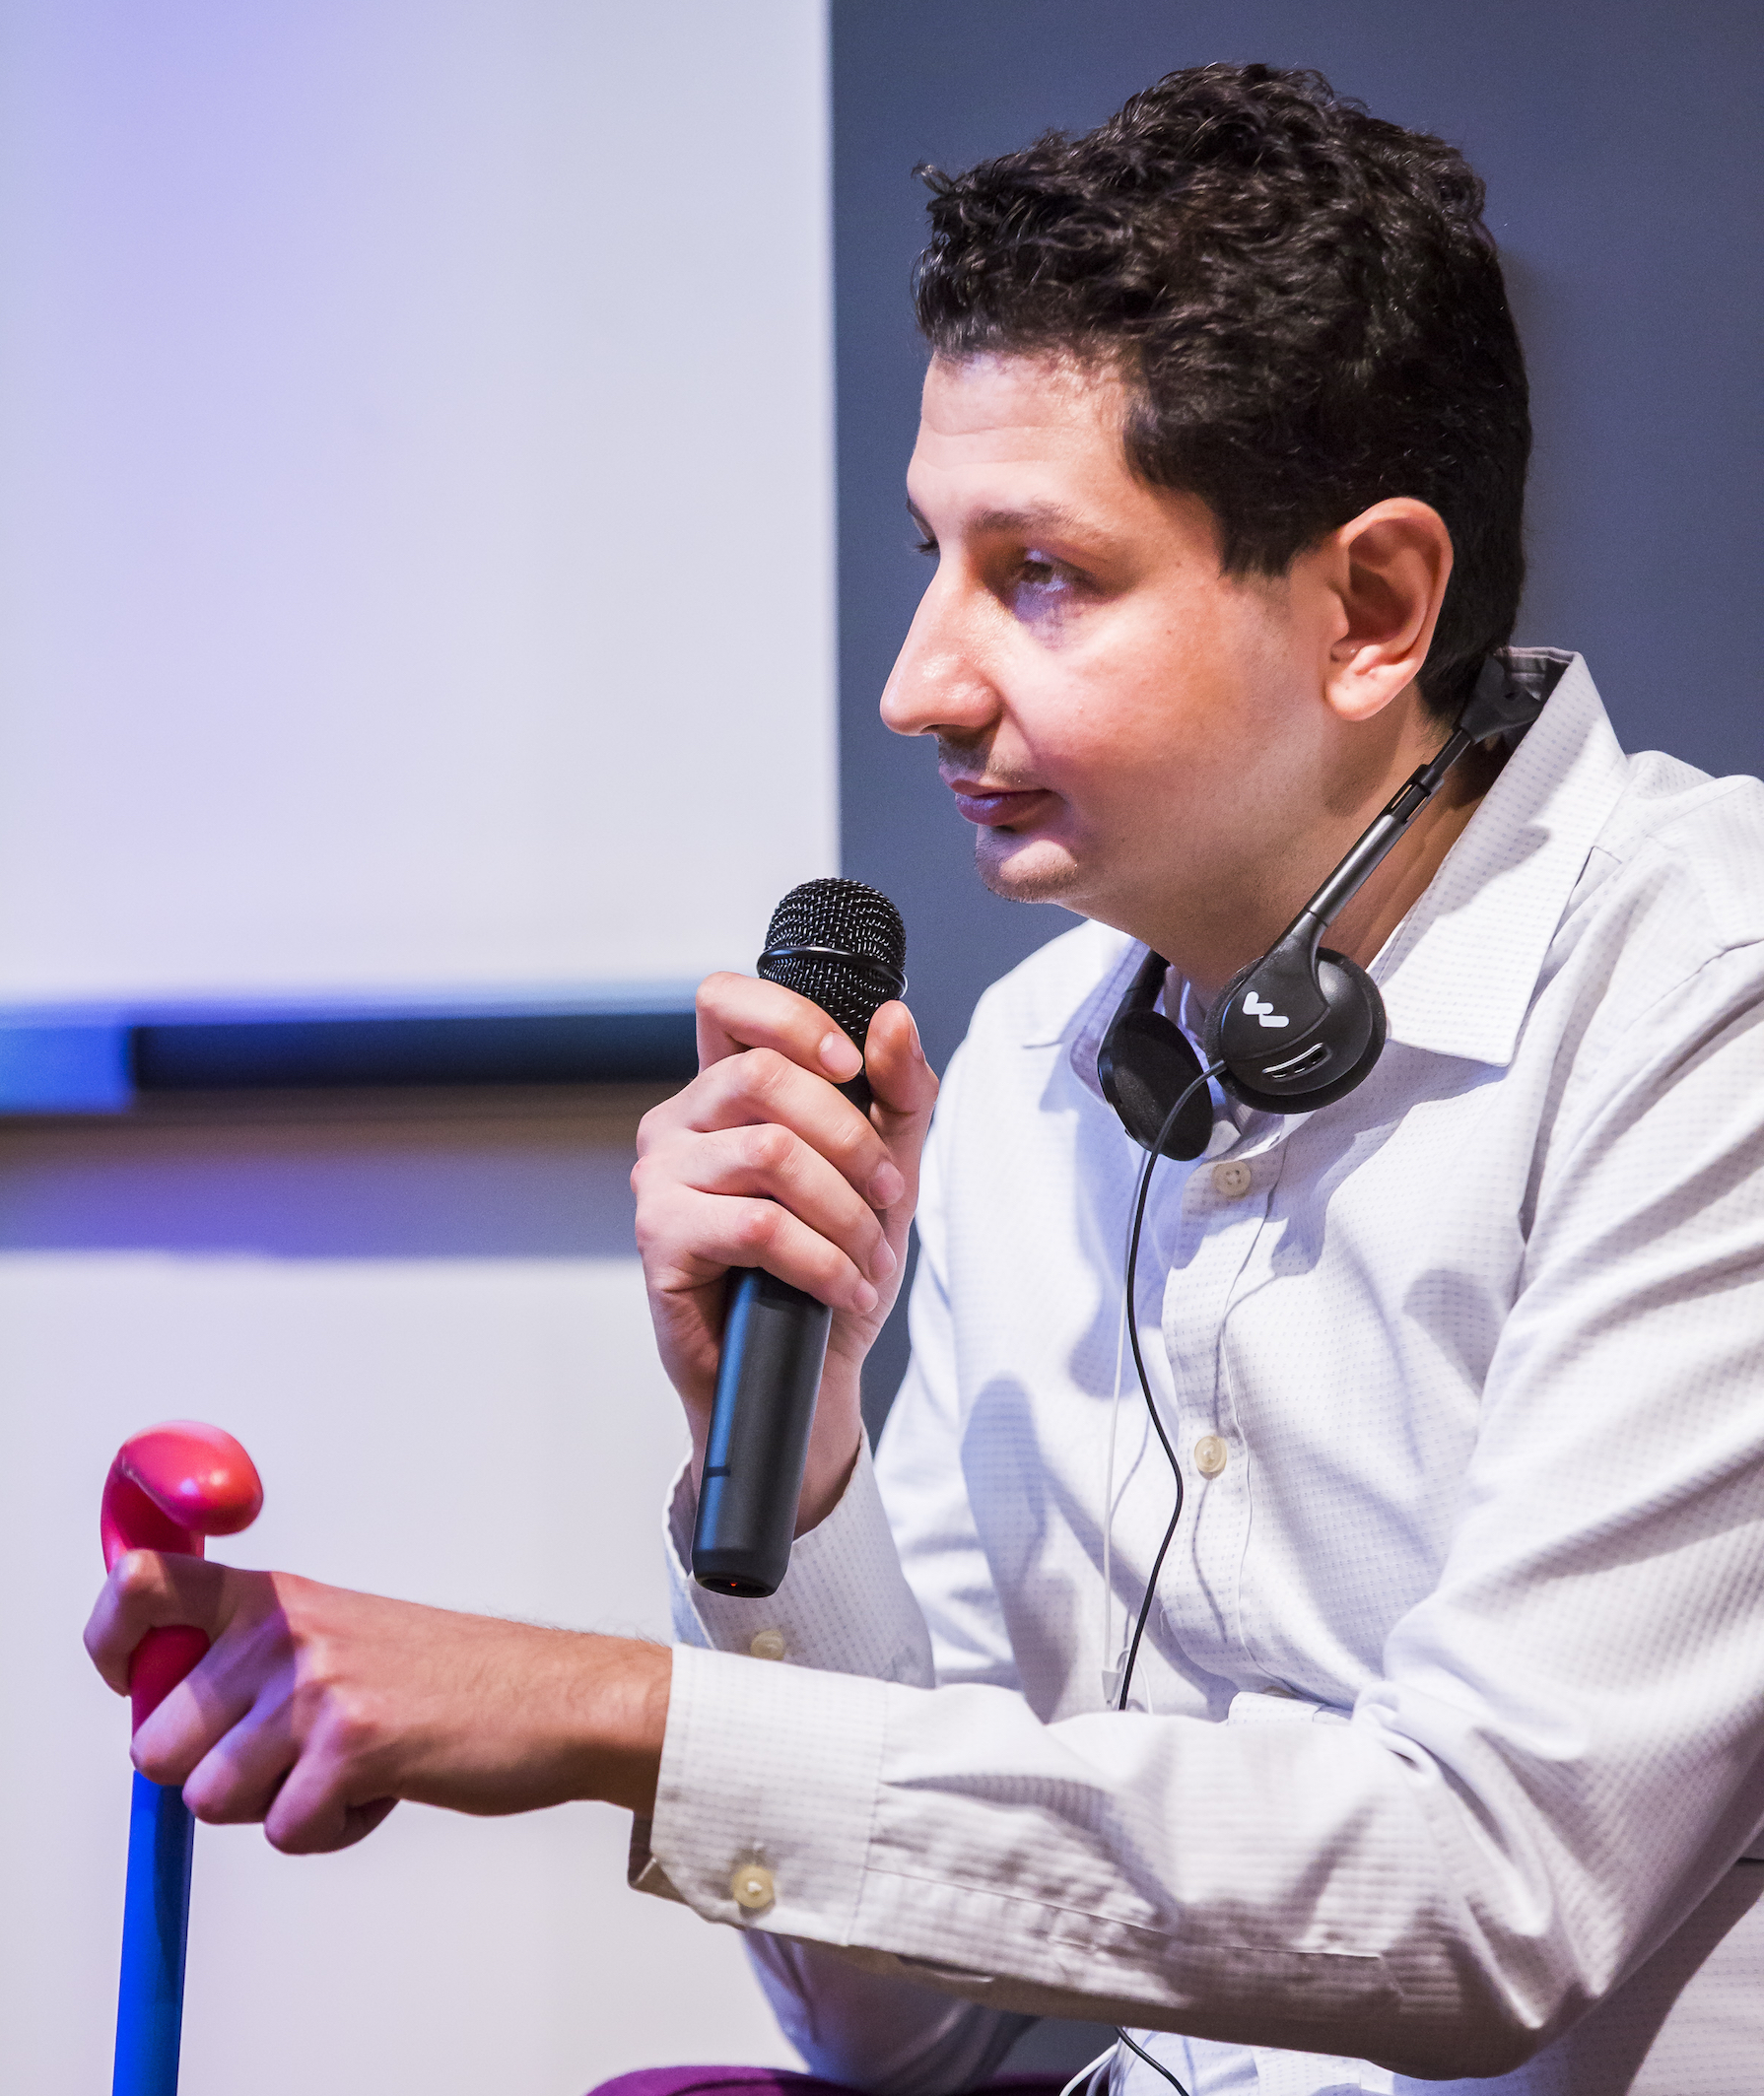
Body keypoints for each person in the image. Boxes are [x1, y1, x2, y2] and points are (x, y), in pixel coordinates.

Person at [85, 63, 1764, 2096]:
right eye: (928, 555)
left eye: (1037, 572)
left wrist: (623, 1714)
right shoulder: (1066, 1052)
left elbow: (1495, 1896)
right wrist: (784, 1489)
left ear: (1372, 605)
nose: (918, 681)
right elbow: (924, 2028)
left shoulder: (1706, 1003)